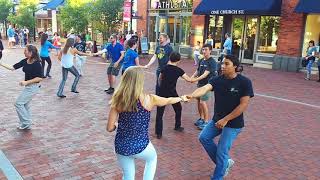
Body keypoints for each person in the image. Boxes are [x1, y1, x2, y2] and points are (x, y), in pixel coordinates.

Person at [107, 66, 189, 180]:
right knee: (152, 159)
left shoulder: (117, 100)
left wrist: (117, 125)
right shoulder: (149, 99)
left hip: (122, 146)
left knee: (128, 175)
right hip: (141, 145)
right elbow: (169, 100)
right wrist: (181, 98)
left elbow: (110, 128)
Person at [187, 55, 254, 180]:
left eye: (226, 64)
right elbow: (205, 88)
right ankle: (225, 163)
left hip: (233, 123)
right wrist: (191, 95)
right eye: (222, 63)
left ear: (235, 66)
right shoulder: (217, 80)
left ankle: (217, 176)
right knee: (204, 137)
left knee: (222, 150)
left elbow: (243, 105)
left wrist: (226, 119)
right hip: (217, 120)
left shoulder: (244, 82)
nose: (222, 66)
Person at [0, 45, 43, 130]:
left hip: (33, 87)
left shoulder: (37, 63)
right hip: (28, 87)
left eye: (25, 51)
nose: (24, 52)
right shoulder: (25, 60)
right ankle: (27, 122)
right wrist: (1, 64)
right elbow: (13, 68)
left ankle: (26, 122)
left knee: (18, 103)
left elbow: (39, 78)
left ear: (30, 53)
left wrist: (26, 82)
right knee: (25, 105)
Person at [155, 52, 192, 139]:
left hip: (162, 92)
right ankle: (177, 126)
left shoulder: (164, 67)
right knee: (178, 108)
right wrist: (197, 78)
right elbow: (189, 79)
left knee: (160, 113)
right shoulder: (179, 70)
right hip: (172, 93)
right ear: (178, 60)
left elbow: (159, 78)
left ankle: (159, 133)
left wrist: (160, 87)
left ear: (170, 58)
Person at [191, 44, 218, 130]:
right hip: (200, 84)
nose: (204, 51)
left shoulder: (212, 62)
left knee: (203, 102)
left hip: (207, 86)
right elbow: (198, 71)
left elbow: (205, 74)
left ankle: (206, 122)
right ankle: (201, 119)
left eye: (206, 50)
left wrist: (195, 79)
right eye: (203, 50)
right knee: (199, 101)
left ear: (210, 51)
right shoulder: (202, 60)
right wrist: (191, 77)